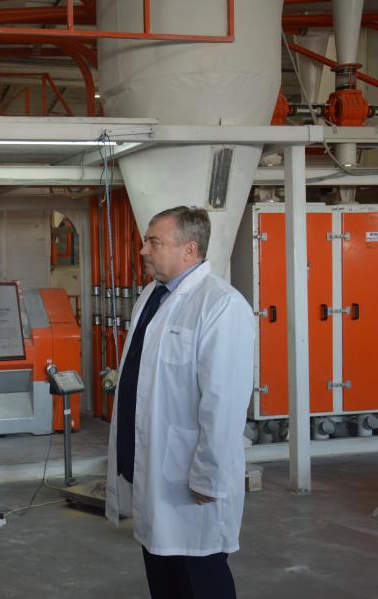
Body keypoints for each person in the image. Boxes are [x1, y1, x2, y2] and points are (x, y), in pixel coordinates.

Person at [105, 206, 254, 599]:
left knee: (201, 577)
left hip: (190, 476)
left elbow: (224, 403)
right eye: (146, 241)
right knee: (163, 574)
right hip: (153, 467)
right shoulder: (152, 295)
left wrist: (209, 475)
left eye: (154, 242)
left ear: (190, 249)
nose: (143, 250)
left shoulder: (221, 305)